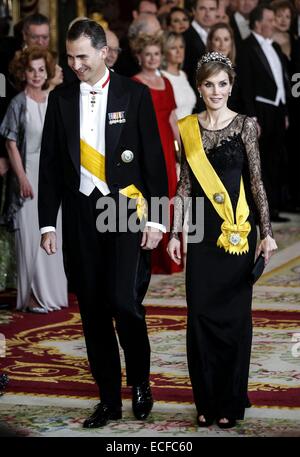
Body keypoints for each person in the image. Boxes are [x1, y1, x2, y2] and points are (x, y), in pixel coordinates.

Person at [38, 19, 168, 428]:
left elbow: (154, 162)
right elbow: (50, 168)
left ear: (102, 53)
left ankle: (141, 382)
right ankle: (109, 399)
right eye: (70, 57)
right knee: (92, 311)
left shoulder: (135, 95)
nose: (75, 64)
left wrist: (158, 219)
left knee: (123, 302)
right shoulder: (59, 100)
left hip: (126, 212)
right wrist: (47, 224)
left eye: (82, 56)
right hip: (80, 217)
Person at [167, 52, 277, 428]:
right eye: (209, 84)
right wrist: (175, 233)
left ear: (231, 86)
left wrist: (268, 236)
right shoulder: (188, 128)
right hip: (200, 235)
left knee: (233, 320)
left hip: (236, 234)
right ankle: (207, 399)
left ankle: (231, 400)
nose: (216, 91)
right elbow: (183, 185)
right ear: (200, 87)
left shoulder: (245, 125)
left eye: (223, 84)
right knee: (199, 317)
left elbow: (257, 183)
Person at [0, 46, 68, 313]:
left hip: (50, 177)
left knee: (53, 233)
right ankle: (32, 296)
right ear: (23, 72)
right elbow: (10, 143)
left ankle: (52, 294)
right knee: (31, 237)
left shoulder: (54, 99)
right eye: (31, 70)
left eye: (41, 69)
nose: (37, 75)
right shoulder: (18, 103)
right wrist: (22, 179)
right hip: (27, 177)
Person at [132, 33, 183, 274]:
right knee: (152, 198)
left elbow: (173, 119)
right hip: (147, 147)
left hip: (167, 148)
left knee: (171, 198)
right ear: (139, 57)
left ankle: (170, 256)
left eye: (156, 54)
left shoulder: (167, 83)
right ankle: (152, 257)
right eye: (148, 54)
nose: (152, 58)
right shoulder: (134, 83)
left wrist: (181, 152)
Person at [238, 3, 291, 222]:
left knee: (276, 160)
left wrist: (285, 112)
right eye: (269, 20)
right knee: (261, 164)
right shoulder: (246, 46)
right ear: (258, 23)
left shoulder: (275, 47)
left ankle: (275, 206)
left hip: (277, 110)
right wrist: (253, 116)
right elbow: (246, 85)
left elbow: (282, 82)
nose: (274, 24)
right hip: (260, 111)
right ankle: (263, 212)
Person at [161, 31, 196, 119]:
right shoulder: (161, 76)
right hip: (174, 130)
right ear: (164, 51)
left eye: (181, 47)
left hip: (190, 129)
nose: (179, 51)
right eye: (173, 48)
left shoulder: (183, 75)